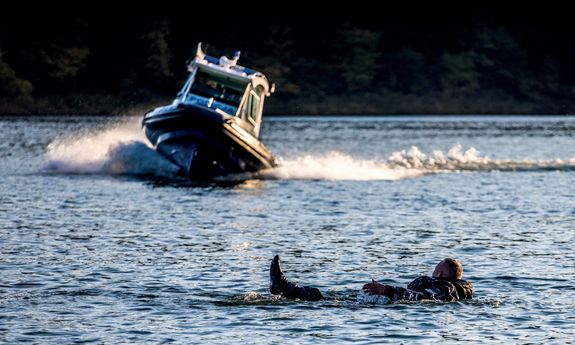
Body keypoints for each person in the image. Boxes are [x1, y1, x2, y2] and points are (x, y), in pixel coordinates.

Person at [269, 255, 473, 302]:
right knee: (326, 299)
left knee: (322, 300)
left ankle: (283, 287)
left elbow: (423, 299)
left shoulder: (446, 289)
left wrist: (387, 290)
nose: (432, 272)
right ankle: (284, 288)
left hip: (387, 306)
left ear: (440, 273)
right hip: (387, 303)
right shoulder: (443, 284)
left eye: (434, 269)